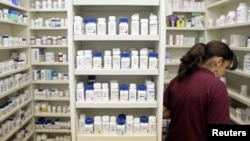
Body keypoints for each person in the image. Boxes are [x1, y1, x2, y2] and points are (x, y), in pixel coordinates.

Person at [163, 40, 238, 141]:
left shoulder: (178, 79)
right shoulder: (217, 87)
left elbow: (163, 112)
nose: (224, 73)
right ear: (219, 61)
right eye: (226, 67)